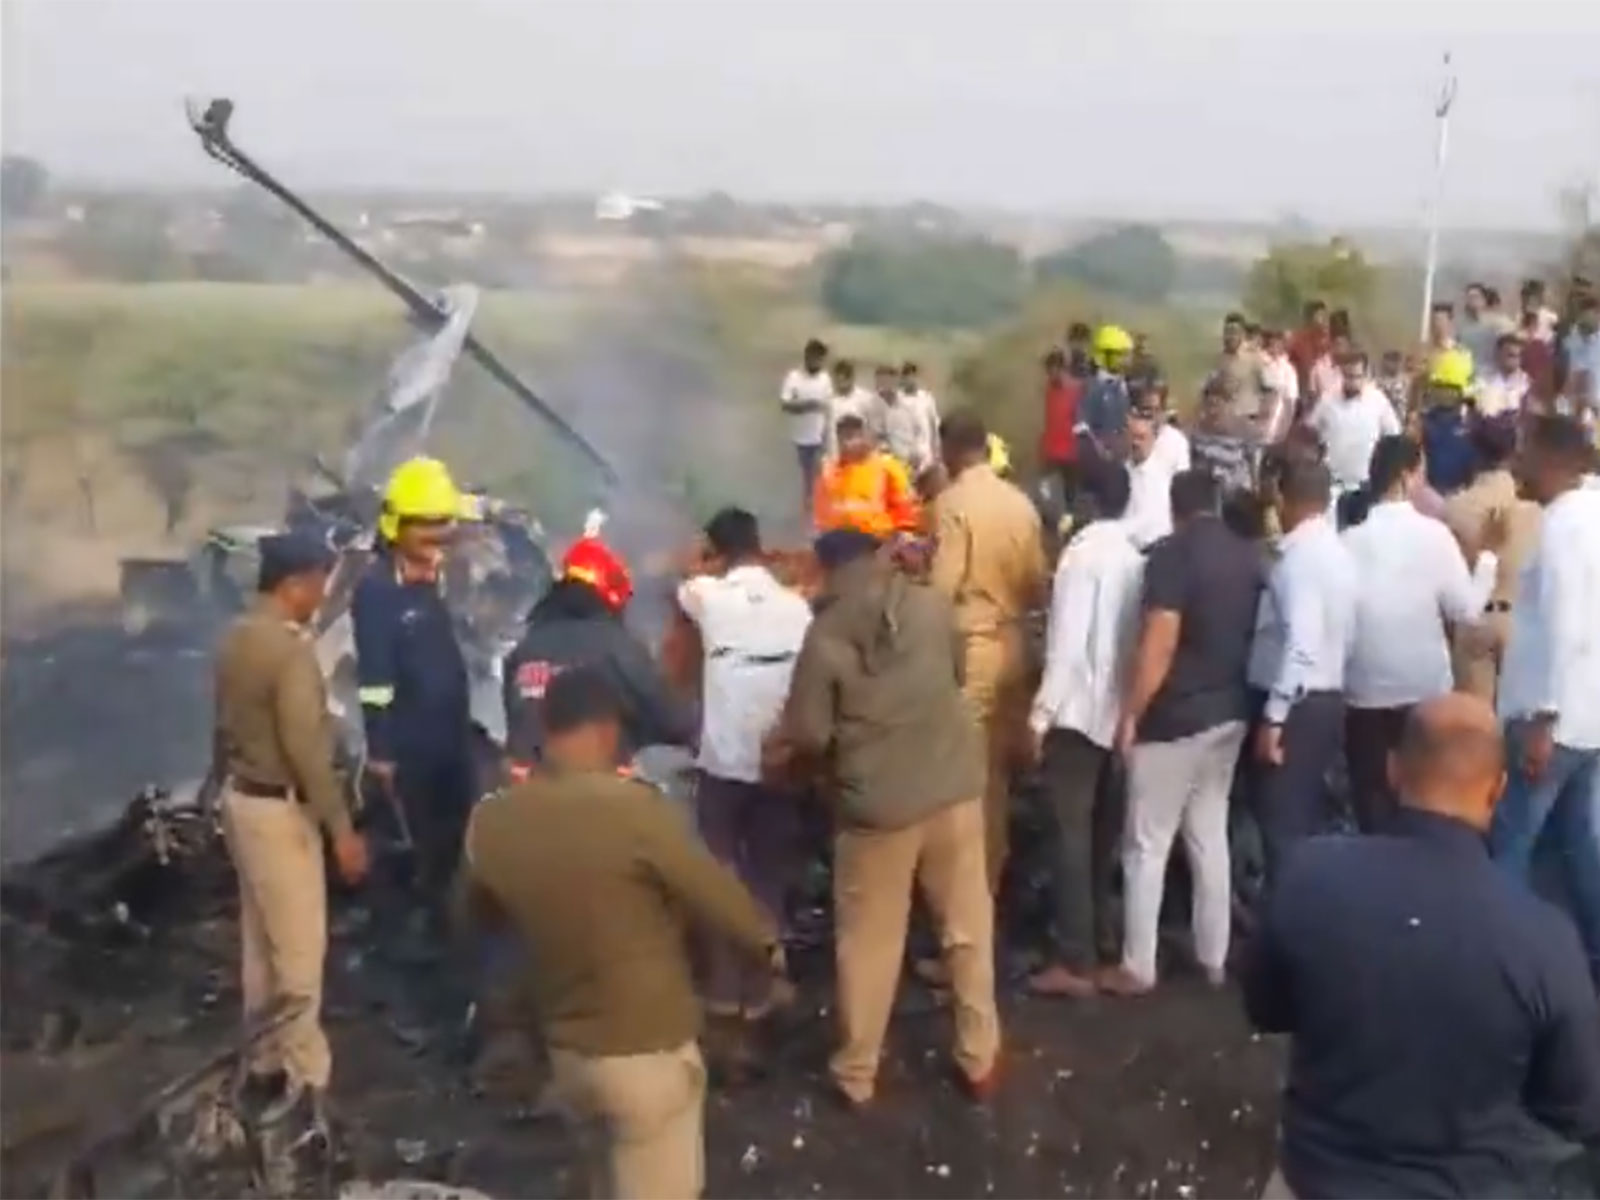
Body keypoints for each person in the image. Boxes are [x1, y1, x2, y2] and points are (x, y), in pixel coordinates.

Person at [1244, 694, 1600, 1200]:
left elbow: (1265, 1007)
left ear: (1393, 771)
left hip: (1315, 1182)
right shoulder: (1545, 940)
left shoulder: (1309, 875)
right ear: (1497, 791)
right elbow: (1574, 1105)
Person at [460, 667, 782, 1200]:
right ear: (608, 731)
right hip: (646, 1055)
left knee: (599, 1179)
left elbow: (472, 922)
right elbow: (727, 908)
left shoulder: (493, 822)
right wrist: (763, 955)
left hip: (565, 1056)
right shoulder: (637, 811)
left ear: (546, 725)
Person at [782, 528, 999, 1106]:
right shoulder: (930, 605)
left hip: (878, 812)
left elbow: (808, 733)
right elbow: (956, 673)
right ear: (877, 558)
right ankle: (979, 1059)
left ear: (826, 570)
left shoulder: (825, 634)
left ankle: (856, 1073)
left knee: (870, 944)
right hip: (954, 789)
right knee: (967, 931)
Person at [214, 532, 368, 1130]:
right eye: (319, 584)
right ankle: (308, 1088)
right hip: (280, 812)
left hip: (240, 801)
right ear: (294, 583)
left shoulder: (234, 638)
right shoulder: (288, 652)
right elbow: (305, 749)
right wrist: (341, 829)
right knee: (300, 954)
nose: (321, 597)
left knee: (259, 945)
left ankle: (263, 1061)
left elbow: (221, 724)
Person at [1104, 470, 1263, 995]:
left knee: (1146, 843)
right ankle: (1213, 957)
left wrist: (1131, 713)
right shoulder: (1247, 555)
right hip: (1230, 713)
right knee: (1208, 835)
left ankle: (1138, 965)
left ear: (1175, 509)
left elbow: (1160, 643)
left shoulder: (1172, 556)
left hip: (1175, 718)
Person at [677, 508, 812, 1028]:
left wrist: (699, 562)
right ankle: (763, 976)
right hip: (778, 760)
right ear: (760, 548)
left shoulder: (707, 597)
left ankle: (722, 985)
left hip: (723, 759)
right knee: (768, 867)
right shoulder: (795, 606)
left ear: (715, 552)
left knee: (720, 866)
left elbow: (685, 583)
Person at [1026, 460, 1144, 998]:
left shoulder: (1082, 558)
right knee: (1101, 834)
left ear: (1090, 500)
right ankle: (1100, 936)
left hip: (1077, 715)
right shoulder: (1133, 556)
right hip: (1117, 714)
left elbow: (1068, 647)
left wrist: (1039, 716)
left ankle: (1073, 959)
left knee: (1068, 833)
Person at [1492, 414, 1600, 984]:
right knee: (1581, 847)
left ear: (1553, 459)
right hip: (1590, 719)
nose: (1518, 464)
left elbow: (1564, 625)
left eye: (1525, 452)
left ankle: (1501, 967)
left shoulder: (1561, 526)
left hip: (1551, 721)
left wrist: (1543, 719)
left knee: (1512, 846)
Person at [931, 409, 1049, 893]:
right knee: (995, 780)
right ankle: (990, 883)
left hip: (971, 648)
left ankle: (963, 898)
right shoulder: (1021, 504)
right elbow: (1037, 586)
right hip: (1013, 645)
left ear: (951, 451)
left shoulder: (952, 502)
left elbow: (942, 587)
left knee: (960, 778)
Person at [1340, 436, 1481, 833]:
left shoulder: (1349, 541)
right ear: (1407, 476)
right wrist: (1486, 566)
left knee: (1370, 799)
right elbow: (1466, 610)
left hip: (1363, 689)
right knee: (1423, 798)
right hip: (1423, 689)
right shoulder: (1434, 536)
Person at [353, 456, 476, 904]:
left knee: (455, 845)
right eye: (426, 525)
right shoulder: (377, 590)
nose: (439, 535)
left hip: (450, 740)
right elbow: (374, 678)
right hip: (411, 752)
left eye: (444, 525)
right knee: (416, 853)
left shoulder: (428, 580)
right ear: (395, 526)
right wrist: (381, 751)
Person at [502, 515, 692, 780]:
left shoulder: (523, 650)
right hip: (599, 795)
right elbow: (670, 717)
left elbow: (515, 722)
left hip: (526, 799)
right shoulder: (619, 648)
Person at [1251, 460, 1356, 885]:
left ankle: (1284, 925)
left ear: (1283, 498)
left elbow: (1301, 642)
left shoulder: (1298, 561)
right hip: (1328, 696)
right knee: (1302, 819)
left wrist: (1274, 718)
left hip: (1297, 704)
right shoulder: (1339, 555)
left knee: (1281, 824)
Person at [1445, 414, 1541, 702]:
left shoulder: (1457, 507)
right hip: (1518, 620)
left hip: (1477, 617)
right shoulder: (1534, 509)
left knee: (1477, 726)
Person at [1307, 348, 1401, 503]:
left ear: (1366, 374)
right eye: (1348, 376)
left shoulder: (1377, 400)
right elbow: (1311, 431)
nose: (1352, 382)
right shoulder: (1328, 399)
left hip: (1365, 484)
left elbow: (1394, 435)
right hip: (1332, 483)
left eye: (1357, 377)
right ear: (1341, 374)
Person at [812, 414, 921, 539]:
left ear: (866, 437)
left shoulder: (886, 467)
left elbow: (904, 509)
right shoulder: (829, 471)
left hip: (877, 541)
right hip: (837, 544)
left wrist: (903, 535)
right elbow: (821, 515)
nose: (846, 444)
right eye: (841, 439)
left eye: (851, 437)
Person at [1122, 405, 1191, 549]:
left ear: (1153, 440)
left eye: (1141, 438)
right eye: (1132, 437)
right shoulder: (1119, 474)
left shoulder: (1163, 480)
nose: (1136, 443)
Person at [779, 338, 833, 519]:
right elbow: (785, 404)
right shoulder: (794, 378)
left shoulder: (825, 379)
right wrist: (807, 405)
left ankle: (816, 515)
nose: (817, 362)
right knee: (803, 480)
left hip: (819, 439)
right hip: (799, 439)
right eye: (814, 358)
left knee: (818, 481)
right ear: (807, 357)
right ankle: (799, 515)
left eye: (820, 359)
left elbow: (830, 409)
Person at [1416, 348, 1482, 495]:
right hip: (1429, 494)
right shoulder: (1424, 422)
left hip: (1463, 494)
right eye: (1440, 388)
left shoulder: (1473, 423)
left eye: (1449, 389)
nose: (1444, 394)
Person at [1188, 376, 1259, 497]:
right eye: (1209, 405)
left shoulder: (1244, 432)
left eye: (1218, 405)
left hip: (1238, 497)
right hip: (1206, 495)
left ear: (1229, 405)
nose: (1213, 411)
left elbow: (1253, 464)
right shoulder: (1196, 435)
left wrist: (1255, 487)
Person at [1077, 325, 1134, 464]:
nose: (1127, 359)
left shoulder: (1125, 384)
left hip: (1122, 459)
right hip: (1099, 463)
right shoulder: (1093, 387)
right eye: (1122, 355)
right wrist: (1100, 449)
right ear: (1106, 356)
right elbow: (1082, 426)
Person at [877, 363, 939, 479]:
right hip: (904, 455)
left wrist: (937, 453)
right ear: (903, 379)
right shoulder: (898, 400)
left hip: (925, 454)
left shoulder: (926, 398)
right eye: (907, 376)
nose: (910, 379)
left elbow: (934, 427)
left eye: (913, 375)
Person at [1039, 348, 1084, 503]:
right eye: (1048, 371)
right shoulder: (1049, 390)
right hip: (1052, 452)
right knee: (1045, 492)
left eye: (1052, 370)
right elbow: (1050, 420)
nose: (1050, 375)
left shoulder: (1077, 390)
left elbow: (1081, 421)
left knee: (1071, 495)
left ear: (1062, 369)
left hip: (1071, 453)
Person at [1209, 311, 1265, 427]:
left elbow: (1266, 387)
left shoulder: (1254, 358)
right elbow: (1210, 388)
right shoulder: (1218, 359)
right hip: (1223, 420)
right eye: (1227, 332)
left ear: (1242, 334)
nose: (1230, 337)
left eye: (1235, 332)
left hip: (1247, 419)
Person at [824, 359, 881, 460]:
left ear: (851, 378)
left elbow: (873, 428)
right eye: (838, 381)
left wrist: (873, 452)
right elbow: (830, 432)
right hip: (839, 456)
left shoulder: (865, 398)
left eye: (844, 380)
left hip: (861, 455)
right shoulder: (831, 402)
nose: (840, 384)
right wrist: (831, 457)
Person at [1559, 293, 1600, 424]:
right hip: (1578, 399)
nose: (1586, 318)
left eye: (1591, 313)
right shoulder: (1573, 335)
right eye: (1582, 314)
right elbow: (1570, 365)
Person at [1473, 331, 1531, 418]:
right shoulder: (1482, 381)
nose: (1515, 361)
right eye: (1511, 355)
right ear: (1499, 354)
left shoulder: (1526, 383)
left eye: (1518, 356)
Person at [1460, 281, 1514, 371]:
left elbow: (1513, 338)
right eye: (1469, 297)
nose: (1472, 300)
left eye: (1475, 297)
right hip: (1469, 371)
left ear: (1484, 299)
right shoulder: (1464, 327)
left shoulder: (1497, 322)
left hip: (1491, 372)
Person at [1257, 328, 1300, 443]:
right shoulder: (1258, 363)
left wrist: (1283, 431)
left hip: (1276, 421)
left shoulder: (1288, 369)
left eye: (1278, 343)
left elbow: (1290, 402)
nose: (1274, 346)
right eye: (1271, 343)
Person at [1287, 299, 1331, 400]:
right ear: (1310, 318)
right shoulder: (1298, 340)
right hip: (1304, 393)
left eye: (1325, 315)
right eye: (1319, 315)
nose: (1324, 319)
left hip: (1327, 392)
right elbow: (1291, 368)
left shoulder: (1330, 339)